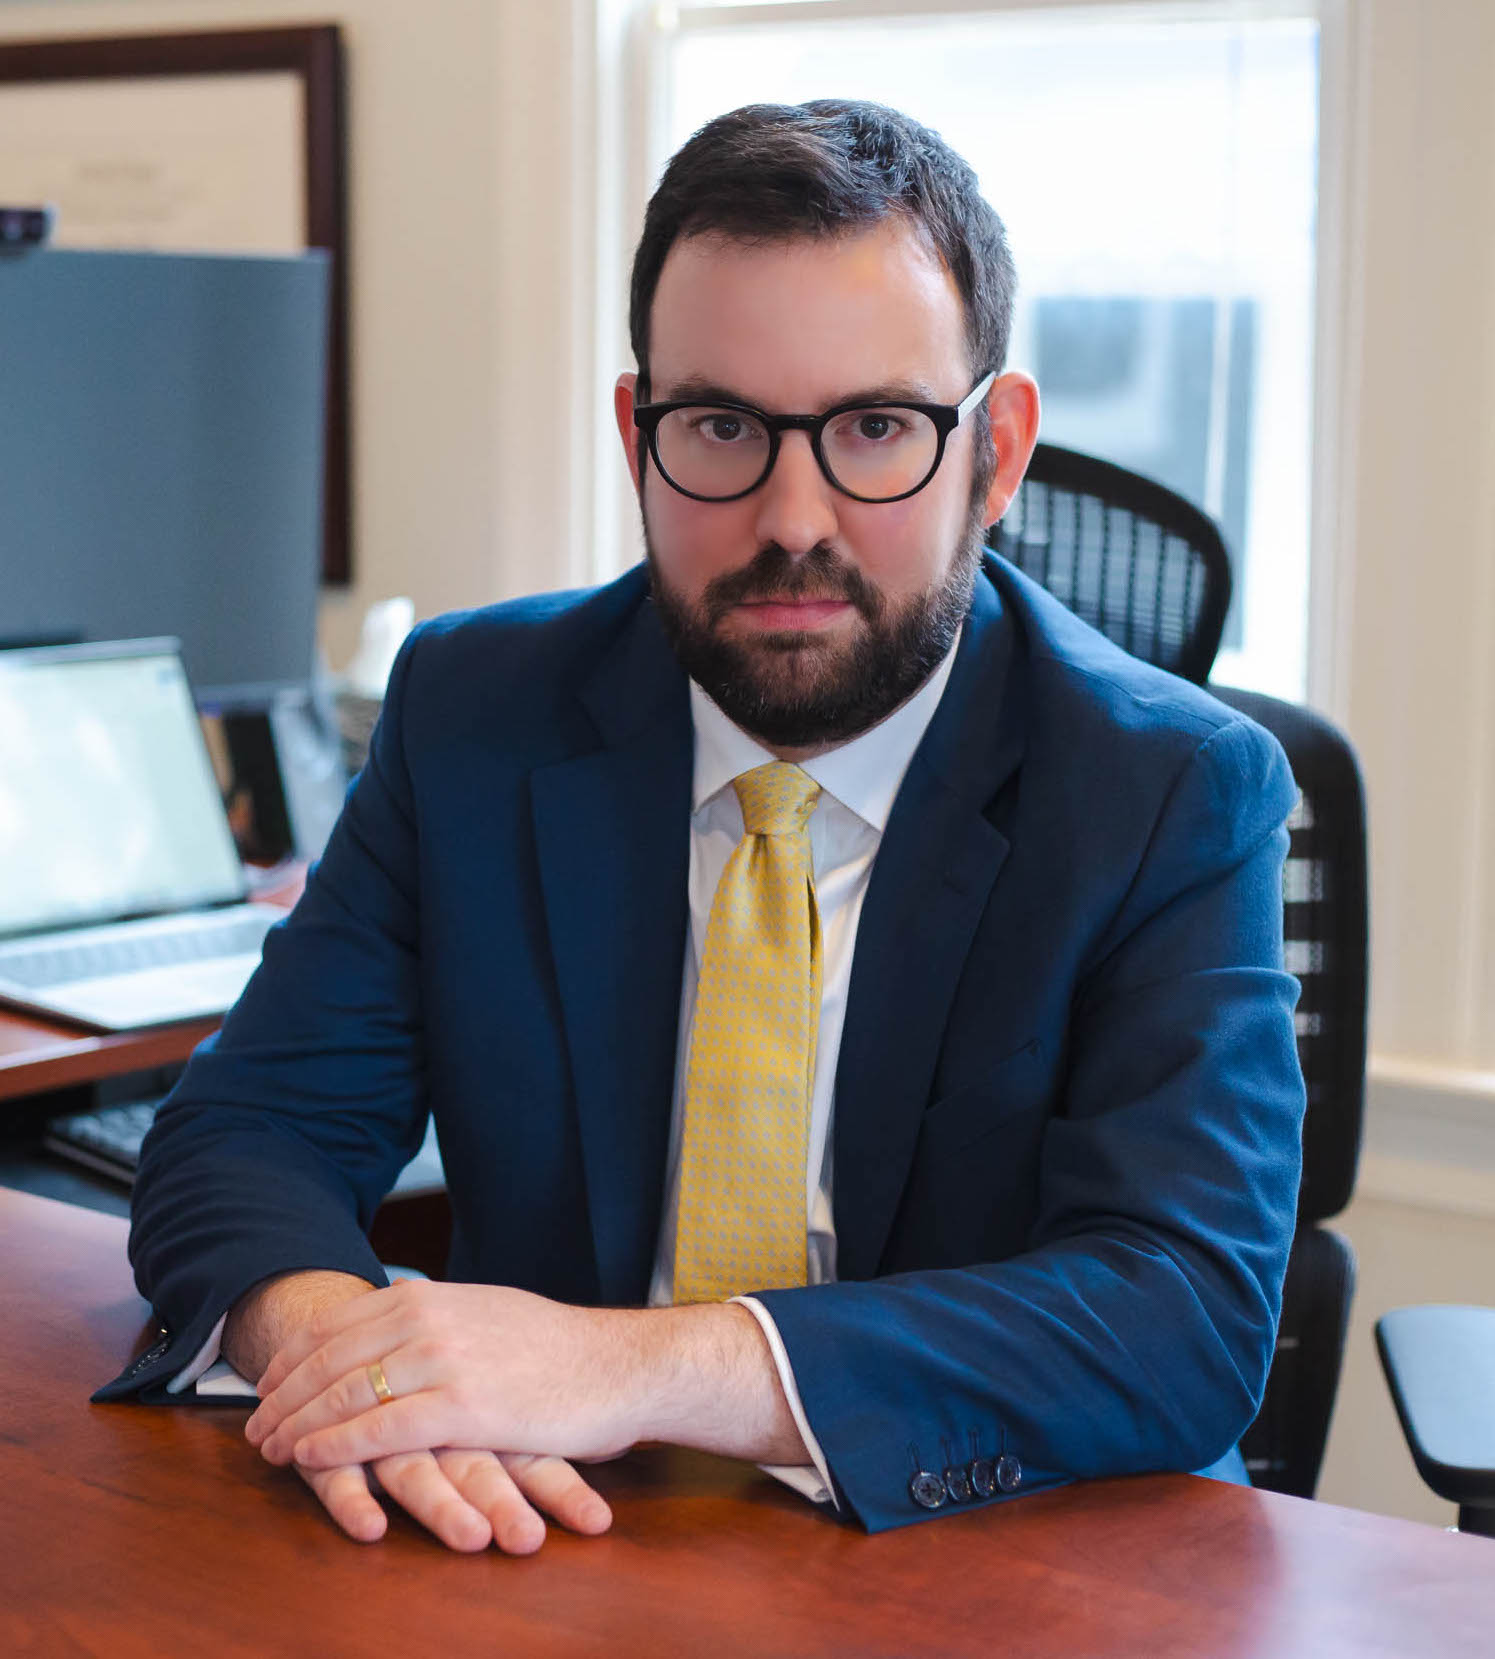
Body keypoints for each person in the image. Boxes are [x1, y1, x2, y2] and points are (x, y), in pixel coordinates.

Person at [102, 99, 1305, 1551]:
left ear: (997, 450)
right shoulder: (480, 712)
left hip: (989, 1569)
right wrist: (341, 1359)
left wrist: (621, 1368)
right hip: (542, 1545)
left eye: (876, 428)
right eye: (722, 426)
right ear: (637, 434)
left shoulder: (1168, 789)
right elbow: (249, 1129)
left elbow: (1179, 1313)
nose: (793, 516)